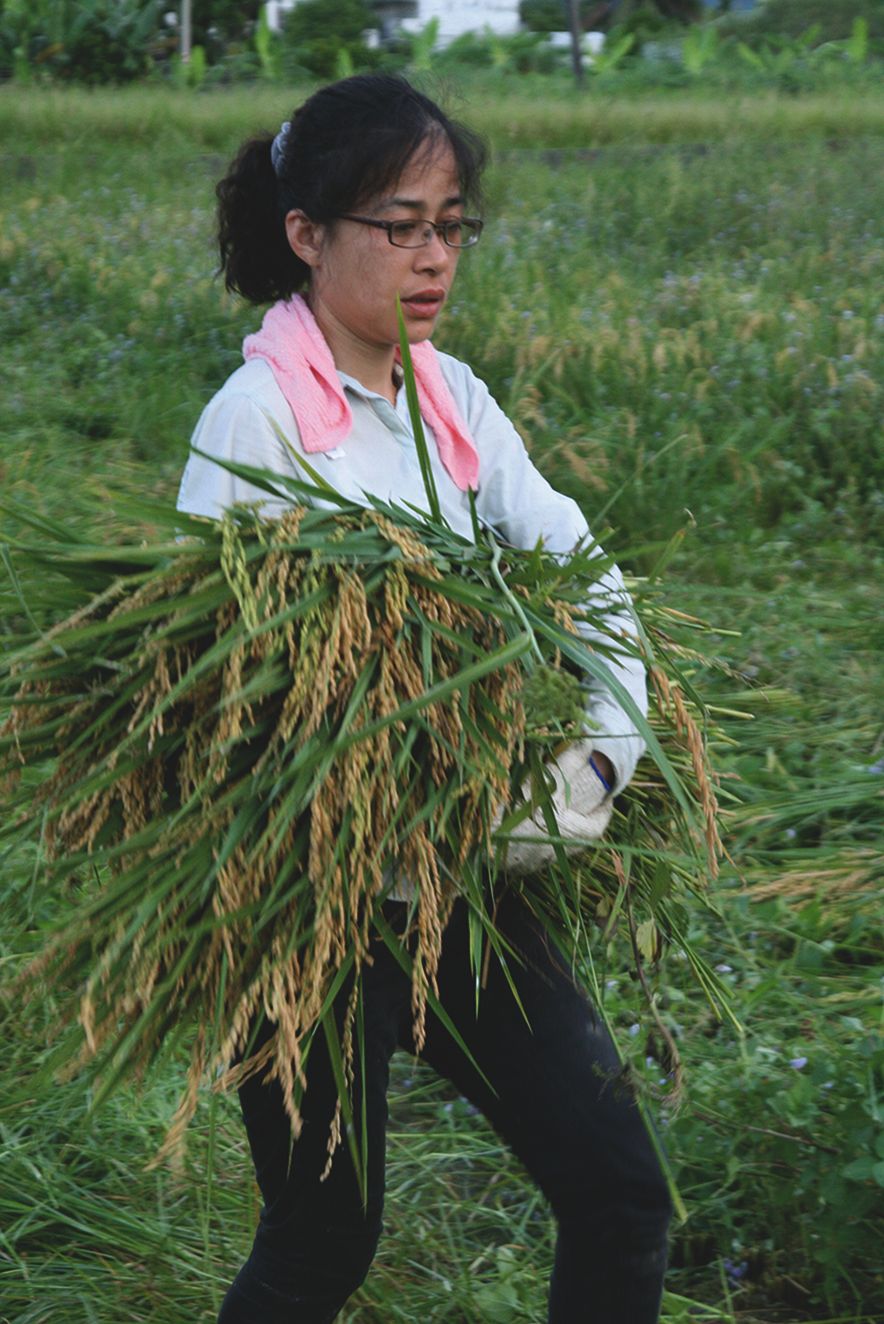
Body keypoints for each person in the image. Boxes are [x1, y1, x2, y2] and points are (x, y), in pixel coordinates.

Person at [177, 73, 672, 1324]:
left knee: (621, 1196)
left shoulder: (453, 400)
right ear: (306, 233)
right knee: (320, 1243)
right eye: (399, 226)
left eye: (451, 226)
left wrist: (593, 765)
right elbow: (230, 700)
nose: (433, 256)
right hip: (302, 904)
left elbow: (588, 580)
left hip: (465, 879)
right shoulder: (255, 427)